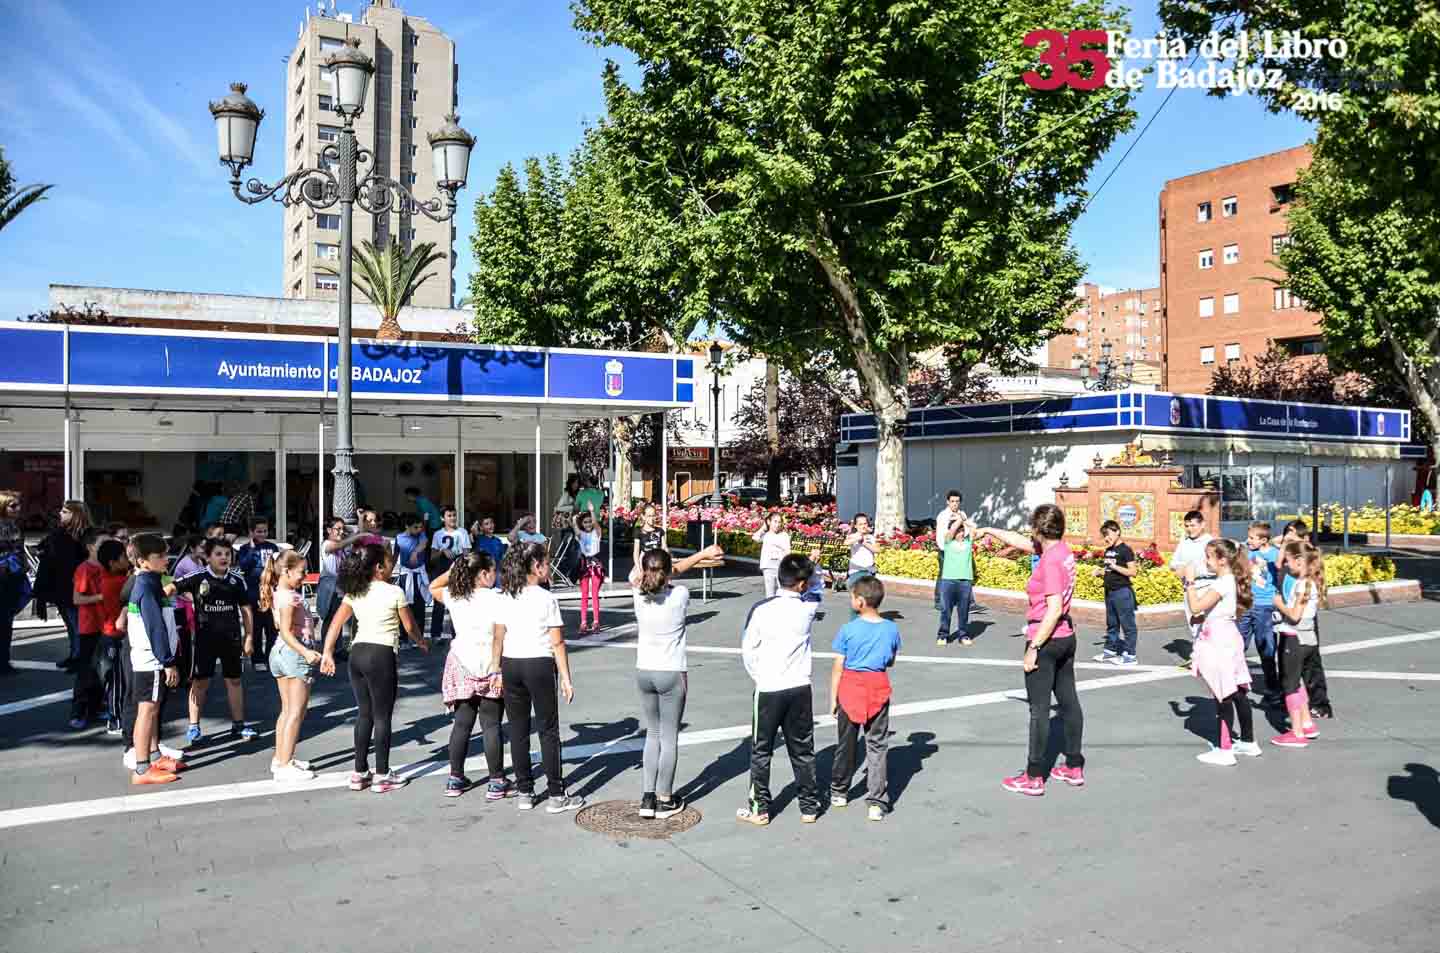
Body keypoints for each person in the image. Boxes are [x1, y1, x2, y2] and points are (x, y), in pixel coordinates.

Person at [978, 505, 1085, 797]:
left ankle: (1034, 775)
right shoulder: (1061, 551)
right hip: (1066, 636)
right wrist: (988, 530)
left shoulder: (1050, 562)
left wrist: (1034, 647)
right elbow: (1021, 542)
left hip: (1046, 638)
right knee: (1069, 702)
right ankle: (1073, 766)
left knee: (1039, 709)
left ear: (1038, 530)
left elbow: (1053, 609)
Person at [321, 543, 427, 794]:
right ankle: (382, 774)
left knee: (364, 714)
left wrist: (327, 652)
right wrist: (421, 641)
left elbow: (335, 624)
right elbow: (409, 626)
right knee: (382, 716)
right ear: (379, 567)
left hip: (357, 654)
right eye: (390, 562)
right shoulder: (394, 591)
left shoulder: (355, 591)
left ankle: (359, 772)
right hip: (381, 654)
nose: (393, 565)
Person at [631, 544, 725, 820]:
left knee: (652, 733)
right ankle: (665, 799)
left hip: (644, 670)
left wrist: (689, 559)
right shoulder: (680, 594)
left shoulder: (637, 593)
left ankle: (647, 797)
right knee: (669, 737)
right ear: (667, 573)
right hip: (671, 671)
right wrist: (702, 555)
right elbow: (673, 572)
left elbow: (656, 572)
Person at [492, 542, 584, 814]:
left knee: (518, 730)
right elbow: (557, 643)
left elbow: (498, 637)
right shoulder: (546, 598)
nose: (549, 566)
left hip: (511, 663)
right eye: (546, 561)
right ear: (536, 566)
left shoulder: (505, 596)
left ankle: (525, 791)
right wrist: (566, 678)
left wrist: (495, 670)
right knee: (548, 729)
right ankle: (556, 794)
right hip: (539, 664)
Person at [737, 553, 823, 826]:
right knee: (803, 749)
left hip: (769, 687)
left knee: (761, 750)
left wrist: (759, 676)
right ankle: (808, 806)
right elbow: (818, 586)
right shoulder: (808, 608)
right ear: (802, 584)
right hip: (799, 686)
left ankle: (760, 808)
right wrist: (814, 565)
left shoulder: (761, 609)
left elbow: (748, 649)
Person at [429, 551, 509, 799]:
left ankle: (455, 778)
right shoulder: (498, 598)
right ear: (484, 574)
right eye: (493, 570)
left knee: (462, 723)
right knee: (491, 724)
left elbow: (433, 586)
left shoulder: (455, 596)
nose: (496, 575)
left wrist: (454, 569)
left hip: (462, 662)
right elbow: (502, 634)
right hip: (491, 663)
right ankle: (496, 780)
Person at [829, 575, 902, 821]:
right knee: (877, 745)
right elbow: (890, 660)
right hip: (878, 687)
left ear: (859, 601)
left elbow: (838, 666)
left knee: (846, 743)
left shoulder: (848, 629)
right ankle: (876, 800)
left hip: (850, 687)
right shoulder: (891, 628)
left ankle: (839, 790)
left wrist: (833, 698)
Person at [170, 538, 256, 744]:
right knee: (200, 682)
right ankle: (194, 727)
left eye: (227, 554)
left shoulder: (236, 580)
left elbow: (246, 609)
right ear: (207, 557)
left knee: (234, 680)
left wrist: (249, 637)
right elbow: (171, 587)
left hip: (231, 639)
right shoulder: (198, 577)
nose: (224, 558)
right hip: (204, 640)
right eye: (218, 554)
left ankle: (239, 725)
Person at [1186, 539, 1260, 766]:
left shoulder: (1222, 583)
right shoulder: (1230, 580)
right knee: (1237, 691)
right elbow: (1216, 610)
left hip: (1219, 641)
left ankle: (1224, 750)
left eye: (1209, 556)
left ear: (1222, 560)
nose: (1205, 560)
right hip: (1228, 636)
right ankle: (1248, 741)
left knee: (1223, 694)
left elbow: (1196, 606)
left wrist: (1189, 581)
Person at [128, 534, 185, 785]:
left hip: (151, 658)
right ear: (142, 561)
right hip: (151, 660)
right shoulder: (146, 587)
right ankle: (142, 768)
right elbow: (155, 628)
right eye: (159, 556)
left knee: (153, 708)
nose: (166, 559)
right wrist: (168, 661)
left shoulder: (150, 583)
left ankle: (154, 756)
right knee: (147, 710)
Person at [260, 550, 321, 781]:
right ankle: (285, 764)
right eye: (301, 572)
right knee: (296, 712)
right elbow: (285, 631)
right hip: (293, 654)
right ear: (286, 571)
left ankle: (281, 758)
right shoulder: (289, 597)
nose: (304, 576)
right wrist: (306, 652)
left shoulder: (280, 593)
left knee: (287, 711)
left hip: (282, 653)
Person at [1272, 541, 1325, 748]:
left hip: (1295, 639)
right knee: (1298, 681)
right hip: (1307, 638)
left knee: (1290, 685)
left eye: (1288, 561)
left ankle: (1296, 732)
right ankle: (1307, 723)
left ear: (1300, 561)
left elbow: (1295, 615)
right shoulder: (1309, 582)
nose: (1286, 565)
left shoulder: (1303, 584)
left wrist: (1279, 604)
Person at [1280, 520, 1332, 718]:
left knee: (1306, 669)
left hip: (1299, 626)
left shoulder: (1305, 578)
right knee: (1290, 672)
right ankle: (1301, 713)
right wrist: (1287, 542)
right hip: (1292, 623)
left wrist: (1278, 603)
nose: (1288, 536)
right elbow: (1279, 561)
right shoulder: (1294, 562)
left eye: (1293, 533)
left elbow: (1295, 614)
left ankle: (1317, 705)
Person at [35, 500, 91, 671]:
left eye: (65, 511)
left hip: (76, 586)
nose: (61, 513)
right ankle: (75, 654)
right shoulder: (60, 533)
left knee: (77, 624)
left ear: (76, 515)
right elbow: (46, 550)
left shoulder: (84, 536)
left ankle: (80, 657)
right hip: (61, 585)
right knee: (71, 623)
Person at [69, 528, 111, 729]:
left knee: (103, 671)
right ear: (90, 547)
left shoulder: (108, 567)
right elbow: (77, 599)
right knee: (86, 671)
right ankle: (77, 712)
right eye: (102, 543)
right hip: (90, 626)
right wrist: (102, 596)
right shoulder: (84, 569)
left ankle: (95, 708)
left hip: (106, 625)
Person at [1238, 521, 1281, 698]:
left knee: (1266, 646)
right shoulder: (1248, 551)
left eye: (1252, 538)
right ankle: (1235, 680)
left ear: (1263, 540)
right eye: (1248, 537)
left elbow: (1280, 573)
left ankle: (1273, 686)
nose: (1248, 540)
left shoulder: (1274, 554)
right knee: (1238, 642)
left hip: (1264, 605)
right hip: (1247, 603)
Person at [318, 516, 366, 658]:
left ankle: (337, 649)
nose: (341, 532)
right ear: (328, 530)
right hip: (329, 588)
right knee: (329, 619)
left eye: (342, 529)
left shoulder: (343, 545)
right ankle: (328, 649)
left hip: (340, 587)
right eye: (337, 529)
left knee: (338, 618)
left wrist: (360, 519)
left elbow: (357, 535)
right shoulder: (327, 544)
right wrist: (355, 536)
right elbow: (341, 544)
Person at [95, 539, 130, 735]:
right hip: (115, 636)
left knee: (118, 678)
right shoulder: (117, 582)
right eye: (123, 557)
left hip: (112, 634)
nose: (127, 560)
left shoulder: (109, 578)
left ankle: (117, 715)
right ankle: (115, 719)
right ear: (112, 563)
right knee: (117, 680)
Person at [236, 518, 280, 669]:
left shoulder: (272, 547)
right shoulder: (244, 548)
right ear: (251, 532)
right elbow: (244, 566)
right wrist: (252, 549)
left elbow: (277, 567)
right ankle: (257, 659)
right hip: (253, 593)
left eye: (265, 531)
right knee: (256, 627)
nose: (262, 534)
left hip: (270, 592)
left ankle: (270, 657)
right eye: (259, 531)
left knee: (272, 627)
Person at [1093, 520, 1138, 665]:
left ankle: (1130, 655)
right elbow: (1109, 570)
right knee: (1112, 623)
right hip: (1109, 591)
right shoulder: (1108, 550)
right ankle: (1110, 651)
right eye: (1104, 535)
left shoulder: (1126, 550)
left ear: (1117, 531)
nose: (1106, 538)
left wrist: (1115, 566)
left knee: (1128, 625)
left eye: (1108, 534)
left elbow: (1133, 572)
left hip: (1122, 592)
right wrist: (1100, 572)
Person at [429, 507, 472, 642]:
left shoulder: (462, 532)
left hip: (458, 568)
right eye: (449, 515)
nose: (453, 518)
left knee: (458, 600)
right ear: (443, 518)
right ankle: (436, 634)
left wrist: (461, 560)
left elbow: (467, 554)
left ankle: (457, 634)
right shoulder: (438, 534)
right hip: (442, 568)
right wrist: (442, 551)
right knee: (439, 602)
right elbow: (432, 557)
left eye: (454, 515)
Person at [936, 512, 976, 646]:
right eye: (957, 531)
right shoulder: (948, 542)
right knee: (945, 610)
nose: (960, 533)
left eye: (962, 531)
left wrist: (963, 520)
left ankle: (963, 635)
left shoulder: (968, 542)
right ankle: (943, 635)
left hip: (965, 581)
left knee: (963, 611)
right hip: (948, 580)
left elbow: (973, 528)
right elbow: (951, 530)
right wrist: (959, 520)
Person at [394, 514, 431, 647]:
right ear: (407, 526)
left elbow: (424, 544)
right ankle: (404, 638)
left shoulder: (421, 535)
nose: (419, 529)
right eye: (415, 527)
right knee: (404, 607)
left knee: (419, 607)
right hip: (405, 576)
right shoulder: (399, 538)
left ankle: (418, 638)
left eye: (420, 527)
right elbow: (395, 556)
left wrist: (415, 552)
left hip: (418, 575)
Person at [0, 491, 25, 675]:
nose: (17, 508)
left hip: (13, 577)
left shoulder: (15, 526)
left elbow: (19, 550)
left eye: (18, 505)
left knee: (6, 621)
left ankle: (4, 661)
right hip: (3, 577)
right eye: (13, 505)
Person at [933, 491, 968, 610]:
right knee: (944, 576)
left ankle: (955, 600)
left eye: (957, 501)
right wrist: (944, 549)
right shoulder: (943, 515)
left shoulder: (962, 514)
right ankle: (939, 601)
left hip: (958, 551)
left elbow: (966, 531)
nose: (955, 504)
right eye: (952, 501)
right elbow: (941, 535)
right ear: (947, 502)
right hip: (946, 550)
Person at [574, 511, 605, 634]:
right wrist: (574, 519)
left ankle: (596, 621)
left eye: (589, 521)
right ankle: (583, 622)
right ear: (582, 523)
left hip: (596, 564)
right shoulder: (580, 534)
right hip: (584, 565)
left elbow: (596, 525)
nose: (588, 524)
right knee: (584, 594)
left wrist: (592, 512)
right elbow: (575, 528)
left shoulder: (596, 533)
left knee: (595, 594)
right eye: (585, 522)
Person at [843, 514, 877, 617]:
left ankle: (867, 618)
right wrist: (857, 538)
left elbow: (877, 549)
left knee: (869, 599)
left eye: (865, 523)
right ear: (856, 526)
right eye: (860, 524)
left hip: (869, 571)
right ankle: (854, 620)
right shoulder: (853, 536)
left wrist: (864, 543)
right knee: (857, 598)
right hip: (856, 571)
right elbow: (846, 543)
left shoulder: (871, 537)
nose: (863, 526)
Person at [752, 512, 791, 598]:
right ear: (769, 522)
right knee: (770, 593)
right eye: (775, 521)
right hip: (768, 566)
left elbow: (788, 551)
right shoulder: (766, 535)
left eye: (779, 522)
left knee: (783, 592)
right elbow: (755, 537)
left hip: (780, 566)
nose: (777, 524)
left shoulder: (784, 535)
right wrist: (763, 528)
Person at [472, 516, 507, 587]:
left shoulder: (498, 541)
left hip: (496, 571)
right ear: (481, 527)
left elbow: (502, 557)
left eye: (491, 522)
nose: (490, 525)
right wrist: (477, 523)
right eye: (486, 524)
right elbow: (473, 530)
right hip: (484, 571)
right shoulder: (479, 539)